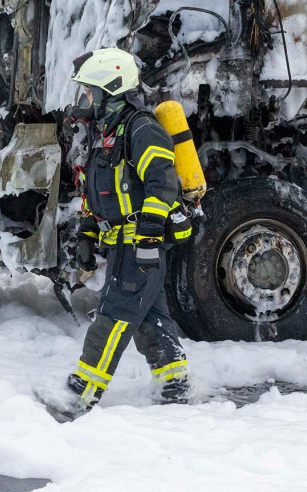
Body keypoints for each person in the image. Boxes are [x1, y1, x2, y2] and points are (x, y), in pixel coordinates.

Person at [49, 47, 192, 421]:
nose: (86, 100)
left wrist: (147, 236)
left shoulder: (141, 129)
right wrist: (86, 233)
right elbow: (96, 191)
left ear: (112, 89)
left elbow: (162, 184)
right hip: (120, 244)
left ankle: (79, 395)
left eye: (91, 92)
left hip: (138, 245)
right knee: (148, 318)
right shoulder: (104, 134)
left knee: (113, 315)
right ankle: (174, 384)